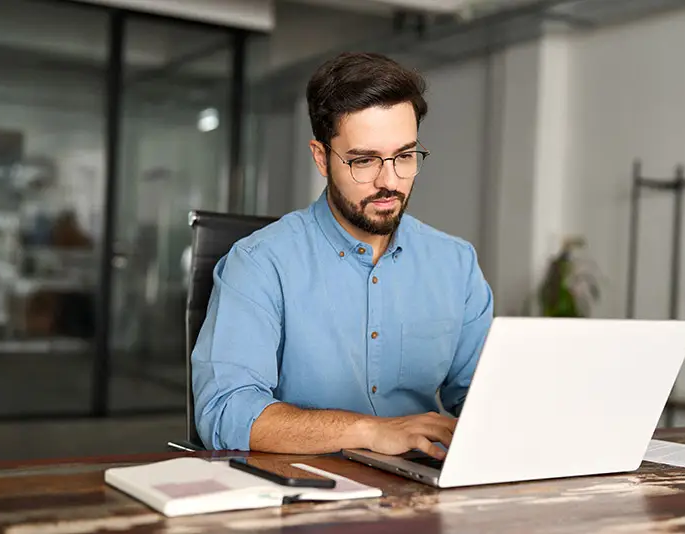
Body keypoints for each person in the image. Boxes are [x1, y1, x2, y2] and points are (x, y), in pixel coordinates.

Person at [192, 51, 494, 460]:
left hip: (421, 490)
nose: (389, 181)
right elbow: (225, 412)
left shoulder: (455, 264)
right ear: (321, 157)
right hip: (303, 493)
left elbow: (484, 401)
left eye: (404, 156)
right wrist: (370, 431)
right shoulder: (260, 262)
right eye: (364, 161)